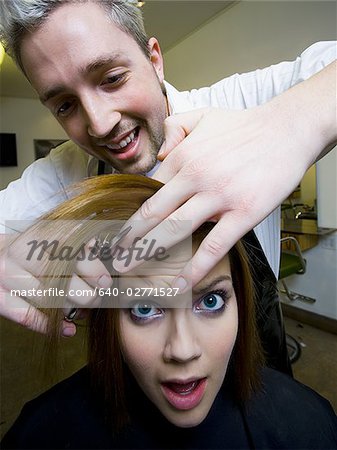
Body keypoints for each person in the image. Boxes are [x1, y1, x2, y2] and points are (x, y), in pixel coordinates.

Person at [0, 1, 335, 369]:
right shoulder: (65, 169)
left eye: (112, 78)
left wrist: (287, 121)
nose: (98, 124)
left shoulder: (237, 104)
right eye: (65, 105)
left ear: (154, 60)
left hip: (260, 359)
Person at [1, 175, 337, 449]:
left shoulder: (308, 428)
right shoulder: (41, 436)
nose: (182, 349)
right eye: (145, 308)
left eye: (211, 301)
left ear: (241, 301)